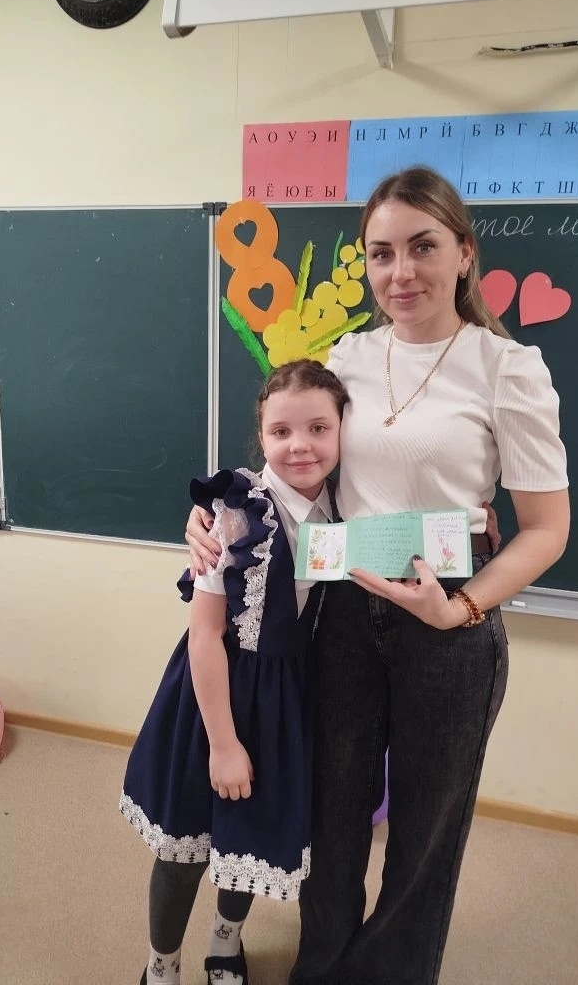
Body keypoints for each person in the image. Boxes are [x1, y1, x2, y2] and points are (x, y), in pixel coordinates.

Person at [185, 166, 570, 985]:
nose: (401, 273)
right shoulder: (348, 356)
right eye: (382, 253)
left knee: (427, 832)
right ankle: (322, 966)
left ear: (463, 253)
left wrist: (461, 608)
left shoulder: (507, 368)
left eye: (423, 247)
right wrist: (216, 515)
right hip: (344, 614)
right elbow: (297, 467)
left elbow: (547, 529)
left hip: (448, 624)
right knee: (333, 815)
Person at [120, 360, 350, 985]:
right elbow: (205, 634)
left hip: (285, 700)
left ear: (341, 432)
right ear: (261, 436)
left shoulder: (347, 502)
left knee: (249, 836)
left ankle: (225, 944)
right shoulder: (238, 512)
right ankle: (161, 964)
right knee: (186, 846)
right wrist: (223, 744)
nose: (300, 445)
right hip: (215, 698)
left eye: (319, 428)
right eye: (281, 431)